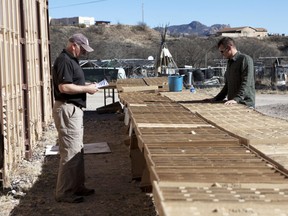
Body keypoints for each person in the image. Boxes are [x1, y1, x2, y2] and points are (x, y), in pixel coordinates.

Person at [52, 33, 98, 203]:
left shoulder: (71, 60)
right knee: (70, 152)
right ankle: (64, 193)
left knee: (77, 149)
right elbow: (64, 87)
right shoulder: (64, 60)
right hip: (68, 108)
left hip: (73, 109)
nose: (84, 53)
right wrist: (86, 90)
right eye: (82, 50)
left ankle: (77, 186)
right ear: (74, 45)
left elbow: (71, 84)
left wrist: (86, 86)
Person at [205, 37, 255, 108]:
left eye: (222, 51)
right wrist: (216, 98)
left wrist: (237, 99)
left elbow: (246, 82)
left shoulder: (245, 59)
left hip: (245, 103)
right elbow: (228, 85)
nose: (221, 54)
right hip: (233, 102)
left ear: (229, 48)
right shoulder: (230, 62)